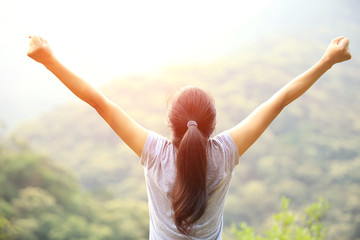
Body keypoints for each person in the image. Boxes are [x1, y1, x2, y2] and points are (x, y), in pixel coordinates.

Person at [27, 35, 351, 239]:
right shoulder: (225, 153)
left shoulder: (153, 153)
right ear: (212, 125)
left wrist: (49, 60)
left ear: (171, 123)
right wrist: (327, 60)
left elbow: (100, 102)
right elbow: (278, 100)